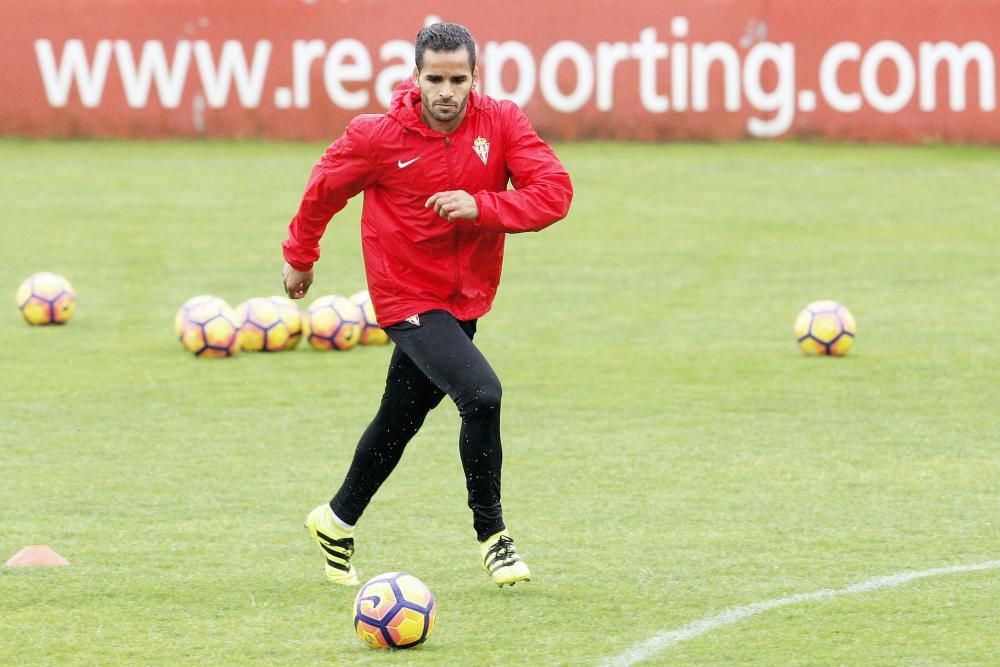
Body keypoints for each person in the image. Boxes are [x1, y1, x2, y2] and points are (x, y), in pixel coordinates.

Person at [281, 22, 573, 588]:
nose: (445, 91)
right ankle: (494, 537)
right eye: (434, 78)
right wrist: (301, 254)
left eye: (457, 79)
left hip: (466, 297)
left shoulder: (502, 123)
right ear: (415, 77)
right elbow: (323, 189)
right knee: (481, 394)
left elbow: (554, 193)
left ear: (474, 78)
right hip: (405, 296)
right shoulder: (378, 136)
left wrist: (483, 205)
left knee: (401, 417)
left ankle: (335, 520)